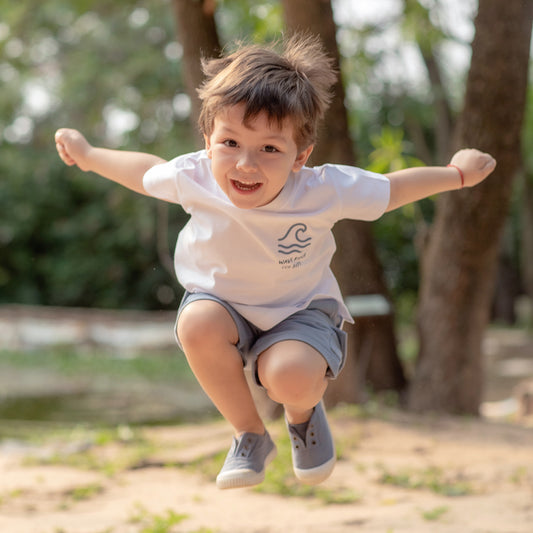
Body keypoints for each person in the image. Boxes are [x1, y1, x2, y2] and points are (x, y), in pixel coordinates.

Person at [54, 34, 496, 490]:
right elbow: (142, 172)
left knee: (286, 376)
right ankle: (249, 435)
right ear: (208, 141)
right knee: (196, 323)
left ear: (300, 157)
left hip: (300, 311)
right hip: (222, 306)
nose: (246, 164)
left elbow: (392, 189)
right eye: (230, 142)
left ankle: (303, 417)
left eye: (269, 149)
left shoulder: (323, 189)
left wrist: (457, 174)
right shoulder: (194, 176)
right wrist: (88, 156)